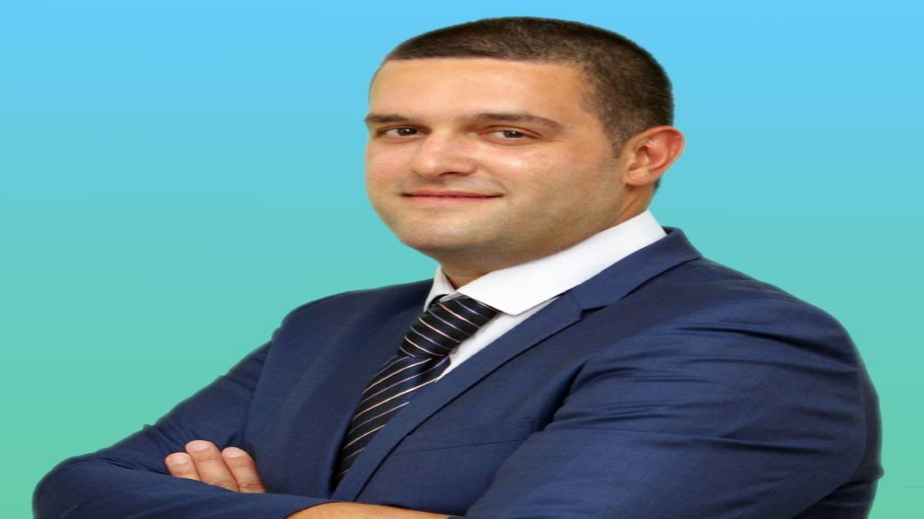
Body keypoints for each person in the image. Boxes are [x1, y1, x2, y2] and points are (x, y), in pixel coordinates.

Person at [34, 16, 882, 519]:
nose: (433, 160)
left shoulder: (736, 342)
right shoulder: (330, 326)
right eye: (400, 129)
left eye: (507, 132)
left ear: (644, 157)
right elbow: (76, 489)